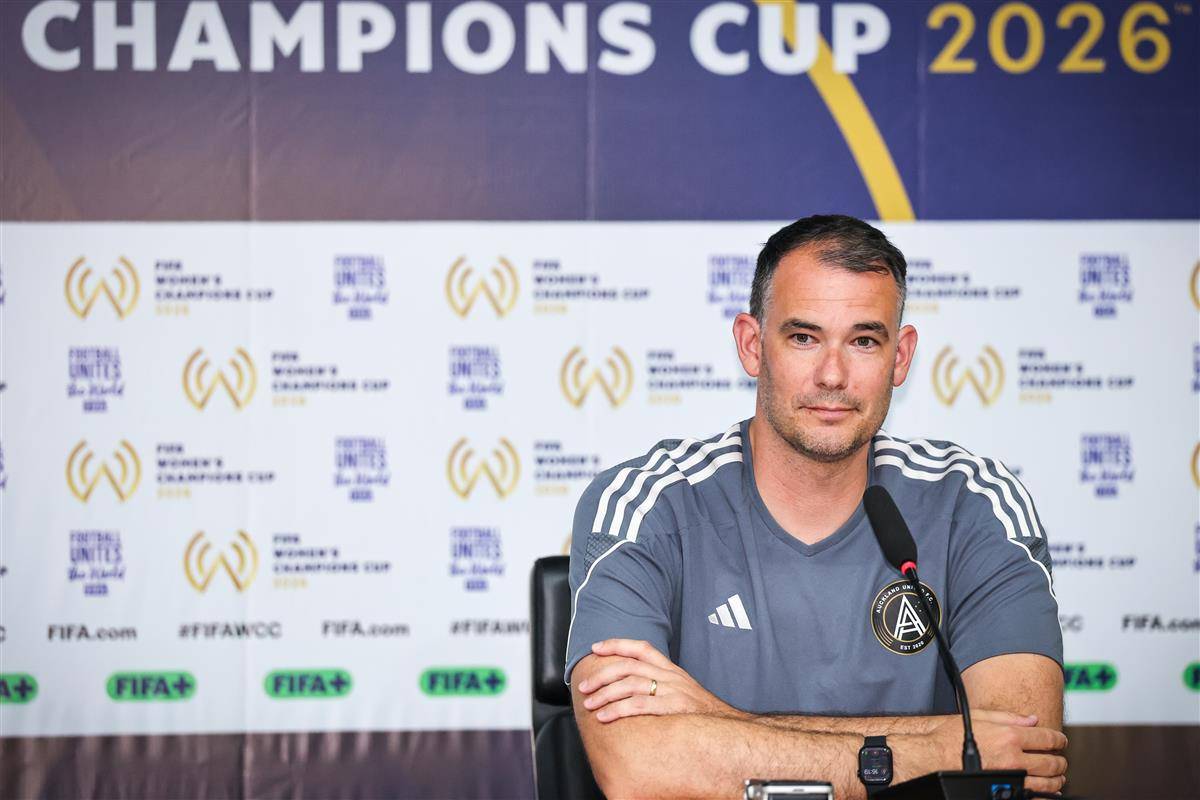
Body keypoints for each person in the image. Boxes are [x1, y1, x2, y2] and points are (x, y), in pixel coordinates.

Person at [565, 215, 1066, 799]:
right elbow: (637, 767)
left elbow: (1018, 762)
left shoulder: (974, 503)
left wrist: (714, 718)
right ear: (752, 345)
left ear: (901, 357)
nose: (832, 375)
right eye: (803, 337)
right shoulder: (646, 504)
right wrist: (939, 747)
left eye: (864, 341)